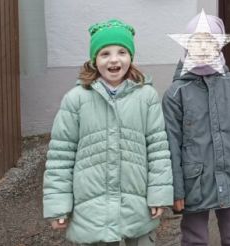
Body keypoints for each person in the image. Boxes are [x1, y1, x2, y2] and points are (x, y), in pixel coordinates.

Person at [43, 19, 173, 246]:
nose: (114, 59)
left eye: (122, 52)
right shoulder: (76, 99)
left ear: (130, 57)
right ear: (94, 60)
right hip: (92, 209)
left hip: (137, 204)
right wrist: (58, 204)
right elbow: (61, 156)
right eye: (105, 53)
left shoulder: (146, 97)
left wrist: (158, 194)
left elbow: (158, 149)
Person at [163, 12, 230, 246]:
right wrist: (176, 190)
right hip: (194, 183)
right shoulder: (176, 94)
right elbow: (171, 145)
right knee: (194, 238)